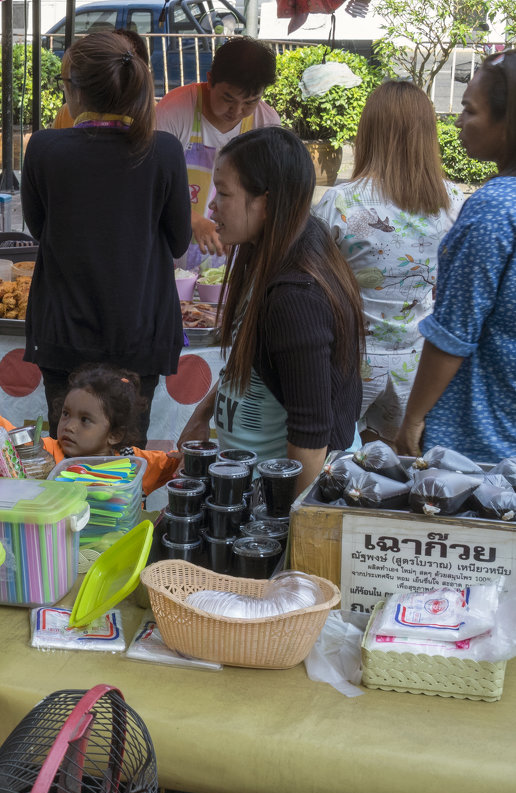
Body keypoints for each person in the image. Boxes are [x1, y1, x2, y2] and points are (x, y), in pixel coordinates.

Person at [21, 30, 191, 447]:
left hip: (64, 328)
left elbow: (40, 229)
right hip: (140, 328)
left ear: (75, 91)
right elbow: (179, 240)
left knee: (69, 452)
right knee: (128, 454)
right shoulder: (164, 150)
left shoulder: (44, 148)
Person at [178, 127, 364, 495]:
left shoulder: (296, 297)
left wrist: (292, 528)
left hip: (286, 493)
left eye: (225, 193)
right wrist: (202, 414)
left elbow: (311, 436)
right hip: (255, 482)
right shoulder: (267, 249)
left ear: (265, 203)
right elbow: (250, 362)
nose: (211, 204)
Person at [313, 81, 464, 446]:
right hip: (420, 366)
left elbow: (311, 286)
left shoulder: (338, 202)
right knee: (403, 478)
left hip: (350, 363)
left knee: (337, 470)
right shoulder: (454, 203)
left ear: (368, 132)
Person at [396, 50, 516, 463]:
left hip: (479, 441)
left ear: (508, 122)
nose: (458, 121)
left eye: (469, 110)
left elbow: (454, 331)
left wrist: (412, 418)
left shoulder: (496, 207)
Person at [155, 36, 280, 269]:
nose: (237, 111)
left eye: (250, 102)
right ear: (210, 80)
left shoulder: (266, 123)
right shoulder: (175, 111)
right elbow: (151, 182)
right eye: (228, 99)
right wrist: (192, 219)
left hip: (234, 260)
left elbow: (270, 193)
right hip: (172, 255)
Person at [0, 365, 181, 494]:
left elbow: (178, 464)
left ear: (114, 435)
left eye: (85, 420)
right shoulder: (46, 452)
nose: (70, 426)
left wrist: (188, 457)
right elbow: (6, 440)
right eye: (66, 414)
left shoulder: (135, 463)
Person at [53, 27, 149, 130]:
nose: (64, 89)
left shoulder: (45, 142)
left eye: (65, 81)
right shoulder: (161, 138)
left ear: (79, 92)